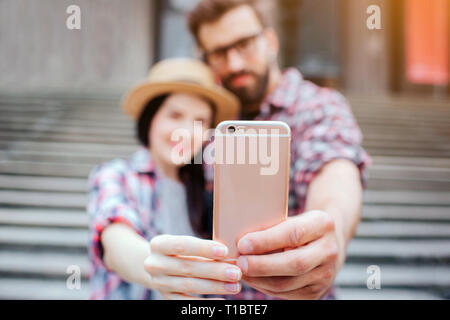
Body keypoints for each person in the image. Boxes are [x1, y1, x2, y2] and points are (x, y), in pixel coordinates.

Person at [186, 0, 372, 299]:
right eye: (219, 53)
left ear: (270, 41)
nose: (234, 64)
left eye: (244, 43)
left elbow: (336, 176)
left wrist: (330, 234)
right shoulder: (209, 121)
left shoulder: (318, 107)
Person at [86, 58, 243, 299]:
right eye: (175, 115)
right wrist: (163, 270)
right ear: (150, 118)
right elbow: (116, 244)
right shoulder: (115, 175)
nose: (186, 132)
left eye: (200, 121)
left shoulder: (211, 189)